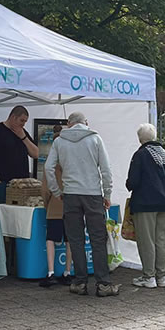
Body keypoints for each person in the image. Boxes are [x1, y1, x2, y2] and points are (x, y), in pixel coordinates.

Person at [44, 112, 118, 297]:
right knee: (98, 239)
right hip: (92, 194)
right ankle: (103, 284)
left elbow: (48, 167)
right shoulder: (95, 138)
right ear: (86, 122)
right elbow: (106, 170)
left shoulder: (60, 141)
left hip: (70, 194)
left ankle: (79, 282)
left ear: (69, 123)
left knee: (75, 239)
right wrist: (107, 194)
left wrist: (56, 191)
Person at [126, 123, 165, 289]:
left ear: (140, 138)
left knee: (146, 241)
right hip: (164, 203)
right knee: (160, 240)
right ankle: (162, 276)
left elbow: (133, 182)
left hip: (145, 203)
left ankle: (149, 276)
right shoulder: (164, 155)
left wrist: (128, 184)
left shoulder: (140, 155)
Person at [0, 106, 39, 208]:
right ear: (13, 117)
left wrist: (23, 137)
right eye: (22, 120)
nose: (23, 124)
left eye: (25, 121)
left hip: (20, 186)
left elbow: (35, 154)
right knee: (0, 214)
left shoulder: (23, 133)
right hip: (1, 183)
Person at [39, 125, 73, 288]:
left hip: (55, 205)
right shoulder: (73, 160)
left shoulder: (50, 162)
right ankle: (67, 272)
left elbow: (45, 189)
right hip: (72, 205)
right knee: (70, 240)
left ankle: (51, 272)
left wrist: (47, 203)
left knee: (50, 239)